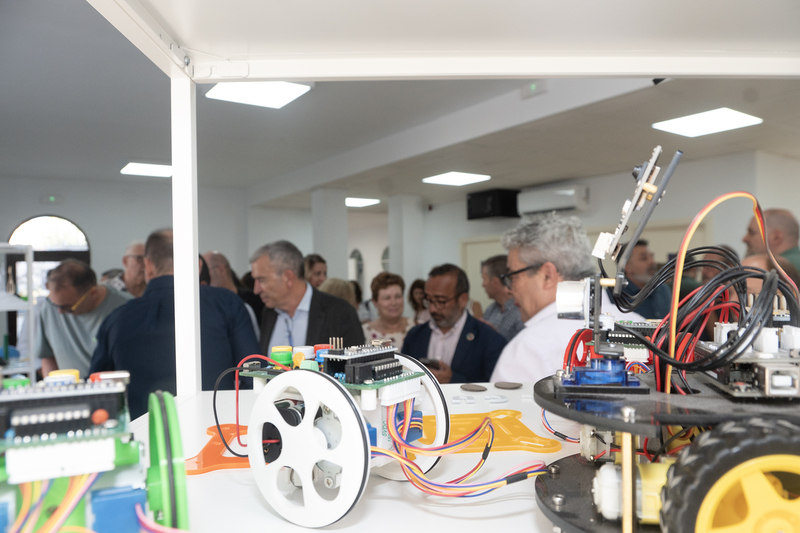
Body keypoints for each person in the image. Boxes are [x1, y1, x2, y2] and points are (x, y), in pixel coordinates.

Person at [90, 230, 261, 420]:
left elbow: (98, 392)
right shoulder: (226, 304)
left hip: (147, 435)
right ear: (198, 266)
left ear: (148, 266)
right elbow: (254, 377)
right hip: (217, 430)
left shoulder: (116, 320)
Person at [491, 213, 643, 384]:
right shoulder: (640, 325)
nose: (510, 289)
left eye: (513, 276)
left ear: (547, 275)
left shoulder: (529, 349)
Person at [251, 241, 365, 353]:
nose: (256, 290)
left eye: (261, 280)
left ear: (288, 277)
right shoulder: (269, 313)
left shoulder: (340, 314)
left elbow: (356, 362)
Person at [402, 264, 506, 384]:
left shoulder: (489, 339)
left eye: (441, 301)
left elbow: (495, 388)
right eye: (429, 300)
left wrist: (453, 380)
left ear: (463, 299)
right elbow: (402, 379)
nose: (432, 309)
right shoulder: (415, 336)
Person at [35, 259, 131, 378]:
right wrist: (53, 386)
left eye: (68, 307)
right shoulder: (50, 307)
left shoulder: (126, 309)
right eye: (56, 305)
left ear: (93, 293)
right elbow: (47, 356)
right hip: (67, 387)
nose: (60, 312)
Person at [203, 251, 264, 340]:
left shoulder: (257, 301)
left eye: (205, 270)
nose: (202, 277)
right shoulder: (206, 307)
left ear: (221, 270)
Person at [619, 240, 671, 319]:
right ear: (627, 267)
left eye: (652, 257)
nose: (652, 262)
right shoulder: (616, 296)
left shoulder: (663, 289)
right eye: (644, 258)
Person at [480, 254, 524, 341]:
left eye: (484, 279)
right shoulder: (490, 310)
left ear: (495, 282)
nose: (483, 284)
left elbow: (525, 345)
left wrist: (496, 338)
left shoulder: (522, 312)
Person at [363, 273, 413, 348]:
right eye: (387, 298)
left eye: (397, 296)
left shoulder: (417, 328)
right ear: (375, 302)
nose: (394, 303)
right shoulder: (364, 333)